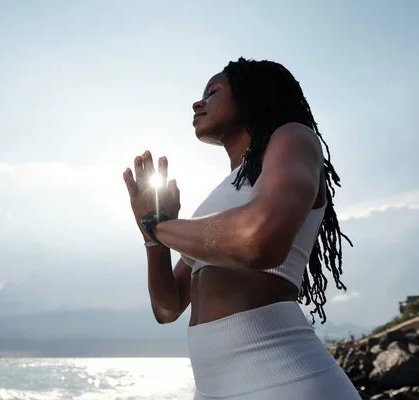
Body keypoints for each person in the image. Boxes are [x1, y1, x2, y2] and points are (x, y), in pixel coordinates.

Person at [122, 58, 361, 399]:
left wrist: (159, 224)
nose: (197, 102)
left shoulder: (294, 138)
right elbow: (168, 307)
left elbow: (257, 240)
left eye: (213, 91)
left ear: (251, 94)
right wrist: (151, 235)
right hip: (210, 390)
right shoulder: (221, 196)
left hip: (284, 383)